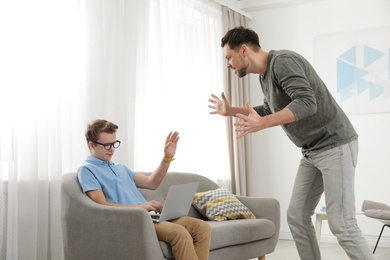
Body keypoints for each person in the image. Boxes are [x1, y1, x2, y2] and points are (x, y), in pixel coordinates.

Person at [208, 26, 374, 260]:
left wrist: (263, 123)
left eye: (229, 57)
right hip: (312, 151)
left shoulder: (283, 61)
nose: (228, 64)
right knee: (296, 215)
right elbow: (269, 109)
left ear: (243, 50)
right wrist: (231, 111)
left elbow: (307, 103)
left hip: (334, 144)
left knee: (342, 224)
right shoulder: (265, 76)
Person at [77, 119, 211, 260]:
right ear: (91, 144)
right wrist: (142, 207)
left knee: (202, 228)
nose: (111, 149)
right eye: (106, 145)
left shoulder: (120, 167)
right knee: (179, 232)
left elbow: (152, 182)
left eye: (114, 144)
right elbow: (101, 204)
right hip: (132, 220)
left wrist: (167, 157)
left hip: (150, 217)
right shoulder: (87, 170)